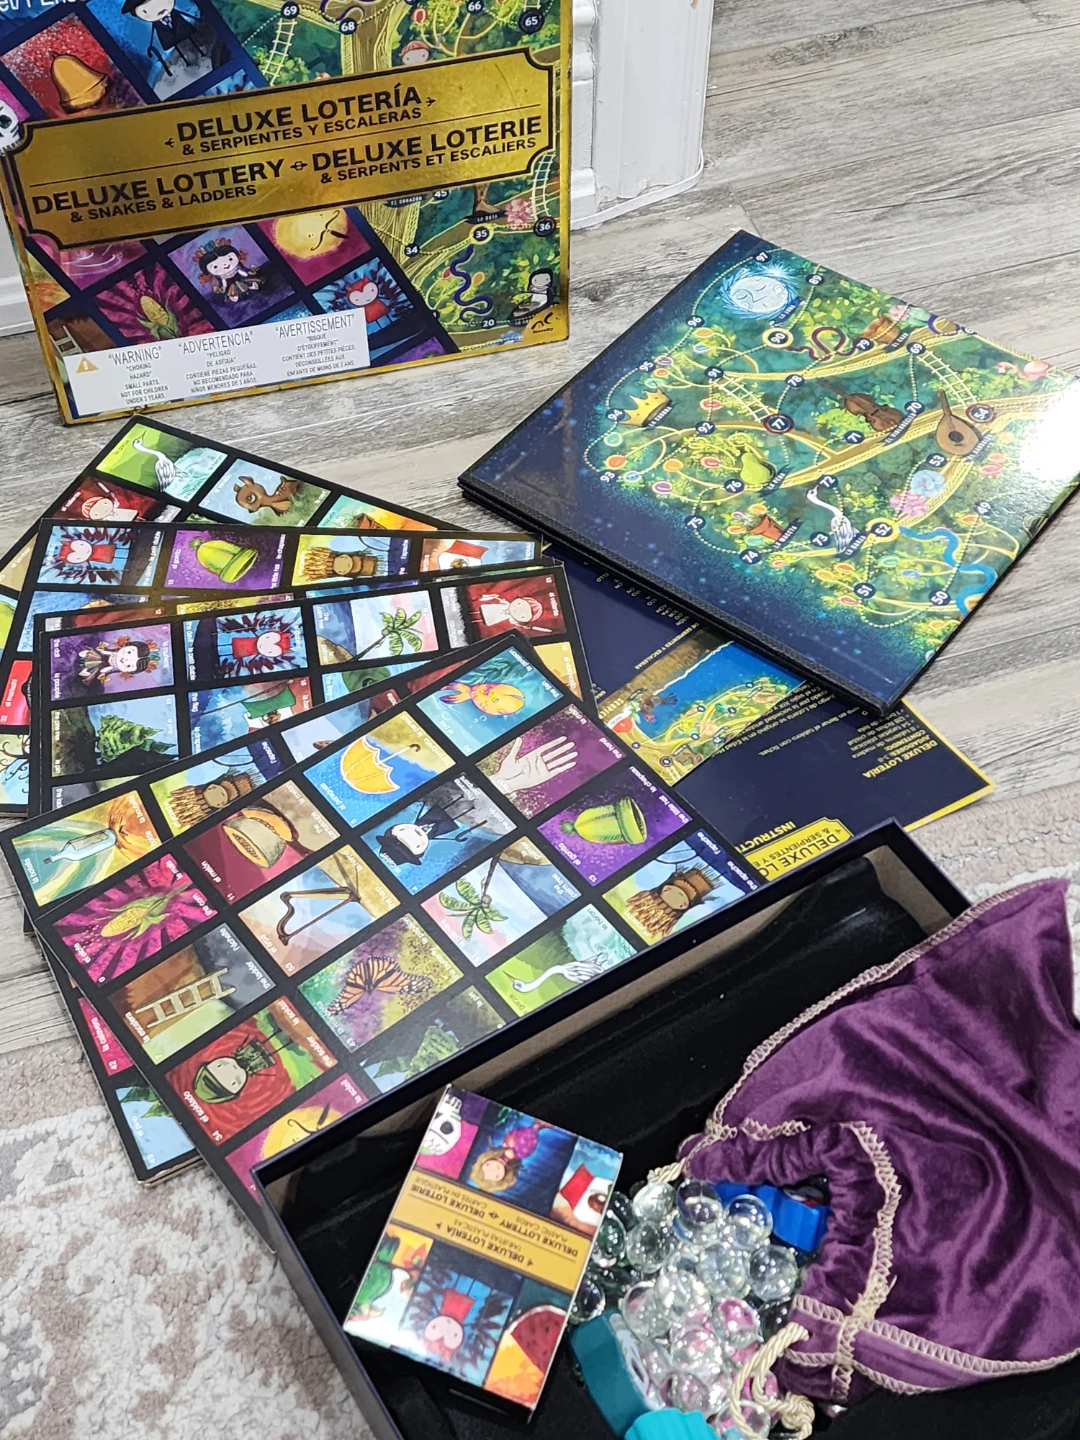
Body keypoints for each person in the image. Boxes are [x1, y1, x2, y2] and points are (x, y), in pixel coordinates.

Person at [121, 0, 208, 74]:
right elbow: (153, 31)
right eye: (145, 11)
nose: (157, 8)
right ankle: (187, 60)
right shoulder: (156, 23)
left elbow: (185, 14)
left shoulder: (175, 13)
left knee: (190, 39)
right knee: (178, 46)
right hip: (168, 36)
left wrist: (199, 19)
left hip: (182, 28)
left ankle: (199, 52)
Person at [195, 238, 265, 303]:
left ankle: (252, 285)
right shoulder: (222, 276)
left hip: (239, 276)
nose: (225, 265)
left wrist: (245, 274)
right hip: (229, 282)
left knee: (246, 280)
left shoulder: (237, 267)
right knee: (232, 287)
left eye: (230, 259)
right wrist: (224, 287)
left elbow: (241, 272)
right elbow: (224, 281)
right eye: (215, 267)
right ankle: (234, 295)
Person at [78, 636, 159, 686]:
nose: (125, 660)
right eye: (129, 652)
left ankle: (85, 670)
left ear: (127, 671)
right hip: (97, 656)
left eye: (129, 666)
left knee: (91, 670)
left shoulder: (112, 669)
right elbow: (104, 651)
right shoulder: (112, 650)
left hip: (99, 667)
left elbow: (105, 671)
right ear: (126, 645)